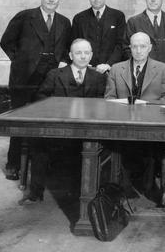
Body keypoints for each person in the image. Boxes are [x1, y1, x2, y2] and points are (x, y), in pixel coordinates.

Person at [17, 39, 106, 204]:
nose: (83, 56)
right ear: (71, 55)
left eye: (87, 53)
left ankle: (88, 195)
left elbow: (102, 103)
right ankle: (36, 193)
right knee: (39, 146)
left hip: (86, 131)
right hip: (58, 128)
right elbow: (41, 98)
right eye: (78, 53)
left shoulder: (98, 78)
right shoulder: (55, 74)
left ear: (92, 55)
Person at [0, 0, 71, 181]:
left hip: (49, 81)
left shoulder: (65, 22)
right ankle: (13, 164)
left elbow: (65, 49)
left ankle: (40, 165)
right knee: (19, 121)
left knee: (46, 124)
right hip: (24, 80)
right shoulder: (25, 16)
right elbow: (6, 42)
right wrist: (21, 61)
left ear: (59, 0)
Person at [105, 32, 165, 197]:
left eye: (143, 46)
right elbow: (109, 99)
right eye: (134, 46)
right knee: (122, 151)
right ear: (130, 48)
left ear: (150, 48)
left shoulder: (162, 68)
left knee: (150, 152)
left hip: (151, 123)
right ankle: (124, 188)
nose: (138, 50)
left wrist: (150, 108)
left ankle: (148, 186)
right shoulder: (116, 69)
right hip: (123, 123)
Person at [71, 0, 126, 74]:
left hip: (111, 70)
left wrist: (109, 64)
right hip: (85, 70)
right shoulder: (79, 18)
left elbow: (120, 45)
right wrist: (82, 63)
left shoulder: (118, 16)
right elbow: (74, 45)